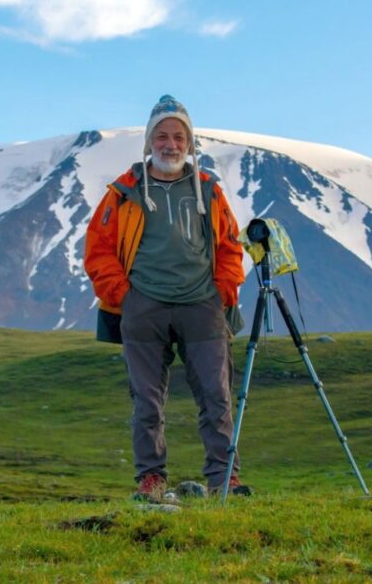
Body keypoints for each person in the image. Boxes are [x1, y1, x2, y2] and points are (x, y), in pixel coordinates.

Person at [84, 94, 250, 501]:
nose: (171, 145)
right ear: (148, 142)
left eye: (179, 137)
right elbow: (98, 249)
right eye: (162, 136)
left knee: (217, 396)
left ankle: (223, 478)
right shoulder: (122, 193)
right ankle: (151, 480)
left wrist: (223, 290)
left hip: (202, 306)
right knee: (146, 401)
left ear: (190, 144)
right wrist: (125, 296)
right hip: (144, 309)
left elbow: (230, 244)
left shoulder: (209, 190)